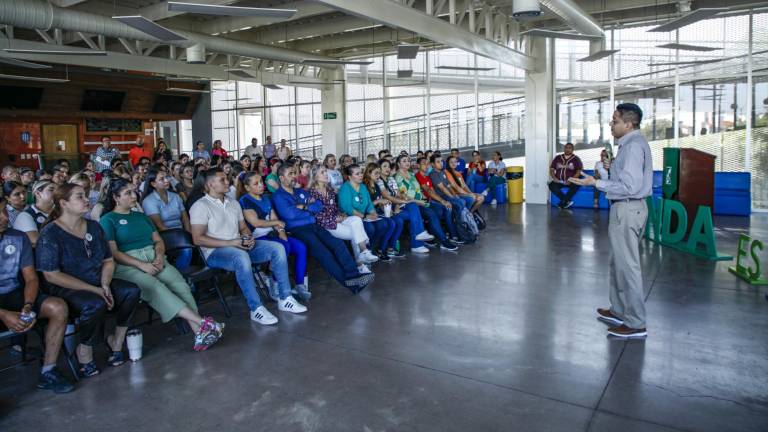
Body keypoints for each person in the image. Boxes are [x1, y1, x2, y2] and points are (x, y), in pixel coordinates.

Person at [100, 178, 223, 351]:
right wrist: (141, 265)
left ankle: (199, 332)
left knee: (180, 284)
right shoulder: (108, 219)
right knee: (155, 287)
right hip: (128, 264)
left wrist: (158, 256)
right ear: (116, 197)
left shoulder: (141, 216)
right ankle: (203, 323)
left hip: (154, 257)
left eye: (134, 191)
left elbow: (158, 240)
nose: (133, 196)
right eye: (127, 193)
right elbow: (114, 253)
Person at [37, 184, 140, 377]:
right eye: (80, 197)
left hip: (97, 281)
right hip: (67, 288)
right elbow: (51, 275)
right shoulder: (50, 233)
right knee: (94, 303)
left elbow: (108, 260)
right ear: (64, 203)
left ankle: (116, 341)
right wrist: (94, 290)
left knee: (130, 291)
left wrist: (104, 284)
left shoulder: (93, 226)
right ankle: (84, 350)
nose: (87, 200)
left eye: (86, 195)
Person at [569, 103, 653, 339]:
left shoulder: (634, 147)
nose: (611, 124)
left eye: (615, 120)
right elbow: (625, 179)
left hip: (628, 209)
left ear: (628, 124)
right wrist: (611, 168)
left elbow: (630, 187)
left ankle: (636, 323)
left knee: (628, 267)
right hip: (623, 208)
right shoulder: (628, 145)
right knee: (618, 263)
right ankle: (618, 310)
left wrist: (594, 183)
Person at [190, 168, 306, 324]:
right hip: (215, 252)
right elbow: (198, 239)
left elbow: (243, 227)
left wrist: (248, 237)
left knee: (277, 248)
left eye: (227, 178)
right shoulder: (200, 206)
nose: (228, 182)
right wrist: (231, 243)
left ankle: (285, 298)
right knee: (241, 257)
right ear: (211, 184)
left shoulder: (233, 203)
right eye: (223, 180)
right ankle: (256, 308)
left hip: (239, 245)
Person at [0, 190, 74, 393]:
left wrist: (28, 307)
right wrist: (4, 314)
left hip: (14, 294)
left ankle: (49, 370)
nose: (5, 217)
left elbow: (31, 278)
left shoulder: (17, 238)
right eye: (0, 213)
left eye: (4, 211)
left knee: (58, 307)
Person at [272, 165, 374, 293]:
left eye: (294, 173)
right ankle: (351, 285)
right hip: (298, 230)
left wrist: (303, 207)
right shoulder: (278, 196)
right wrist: (308, 207)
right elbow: (290, 214)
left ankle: (354, 275)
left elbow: (318, 206)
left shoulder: (300, 192)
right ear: (281, 178)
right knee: (324, 253)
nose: (294, 176)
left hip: (314, 225)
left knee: (338, 244)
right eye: (290, 174)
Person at [237, 172, 310, 301]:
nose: (261, 185)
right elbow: (256, 222)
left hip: (272, 234)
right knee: (283, 246)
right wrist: (276, 223)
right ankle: (275, 284)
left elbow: (274, 217)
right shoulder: (245, 200)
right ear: (247, 187)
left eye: (261, 182)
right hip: (257, 239)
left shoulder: (265, 198)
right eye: (256, 183)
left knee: (300, 247)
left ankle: (300, 285)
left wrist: (281, 231)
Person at [308, 165, 379, 273]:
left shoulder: (329, 189)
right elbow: (315, 215)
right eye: (322, 172)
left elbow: (333, 208)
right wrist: (334, 219)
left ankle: (364, 253)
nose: (326, 174)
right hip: (326, 224)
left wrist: (341, 215)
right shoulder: (312, 193)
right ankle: (361, 262)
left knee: (356, 220)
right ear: (315, 177)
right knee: (356, 232)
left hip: (337, 219)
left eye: (325, 172)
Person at [394, 155, 457, 251]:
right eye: (404, 161)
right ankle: (443, 241)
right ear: (398, 164)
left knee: (441, 208)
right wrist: (420, 201)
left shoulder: (411, 174)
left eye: (408, 161)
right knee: (431, 214)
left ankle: (431, 236)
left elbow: (418, 190)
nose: (407, 163)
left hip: (421, 201)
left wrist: (424, 198)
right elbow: (404, 196)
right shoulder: (398, 177)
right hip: (410, 204)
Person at [376, 158, 434, 254]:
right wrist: (404, 202)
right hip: (387, 210)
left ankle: (419, 238)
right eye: (384, 167)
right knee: (413, 210)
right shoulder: (379, 181)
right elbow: (388, 196)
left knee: (413, 210)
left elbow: (398, 193)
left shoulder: (391, 179)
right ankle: (417, 243)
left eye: (389, 167)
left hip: (396, 206)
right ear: (379, 169)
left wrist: (400, 203)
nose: (387, 169)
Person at [339, 164, 393, 261]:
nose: (361, 175)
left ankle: (369, 249)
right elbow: (347, 207)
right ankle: (364, 252)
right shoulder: (345, 188)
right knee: (370, 228)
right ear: (349, 177)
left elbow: (368, 204)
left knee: (383, 224)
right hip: (352, 218)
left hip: (365, 216)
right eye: (357, 174)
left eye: (361, 173)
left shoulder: (363, 187)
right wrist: (364, 216)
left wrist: (373, 213)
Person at [415, 157, 463, 244]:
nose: (426, 165)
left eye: (427, 163)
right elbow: (428, 191)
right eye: (423, 163)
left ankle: (452, 233)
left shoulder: (426, 176)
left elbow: (432, 191)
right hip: (424, 202)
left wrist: (441, 201)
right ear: (418, 165)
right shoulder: (418, 176)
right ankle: (450, 235)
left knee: (448, 207)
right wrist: (442, 201)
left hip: (432, 200)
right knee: (445, 208)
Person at [363, 163, 404, 259]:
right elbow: (366, 206)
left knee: (398, 220)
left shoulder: (376, 185)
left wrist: (386, 207)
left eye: (378, 173)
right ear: (369, 174)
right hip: (368, 213)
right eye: (376, 173)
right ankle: (380, 249)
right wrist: (379, 201)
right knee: (391, 223)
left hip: (378, 211)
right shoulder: (364, 187)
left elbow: (380, 202)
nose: (378, 176)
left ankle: (389, 248)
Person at [13, 180, 56, 246]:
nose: (57, 193)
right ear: (38, 193)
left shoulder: (61, 211)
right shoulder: (25, 216)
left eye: (58, 190)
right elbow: (36, 241)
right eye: (51, 190)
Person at [548, 143, 583, 209]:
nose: (567, 149)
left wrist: (571, 180)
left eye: (570, 148)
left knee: (576, 185)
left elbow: (578, 172)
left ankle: (564, 202)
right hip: (559, 180)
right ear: (564, 149)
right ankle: (567, 201)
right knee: (551, 185)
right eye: (566, 148)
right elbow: (552, 169)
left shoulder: (576, 159)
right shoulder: (558, 157)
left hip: (571, 181)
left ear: (572, 149)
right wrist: (554, 178)